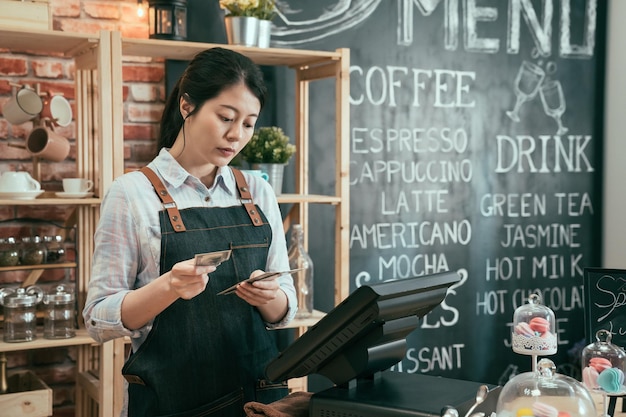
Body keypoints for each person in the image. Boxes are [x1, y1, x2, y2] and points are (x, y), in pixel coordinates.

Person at [83, 47, 297, 417]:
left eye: (248, 123)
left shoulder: (258, 191)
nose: (236, 135)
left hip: (260, 400)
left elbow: (284, 311)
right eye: (225, 117)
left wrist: (269, 294)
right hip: (173, 402)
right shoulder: (133, 193)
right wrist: (168, 287)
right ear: (187, 106)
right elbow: (97, 319)